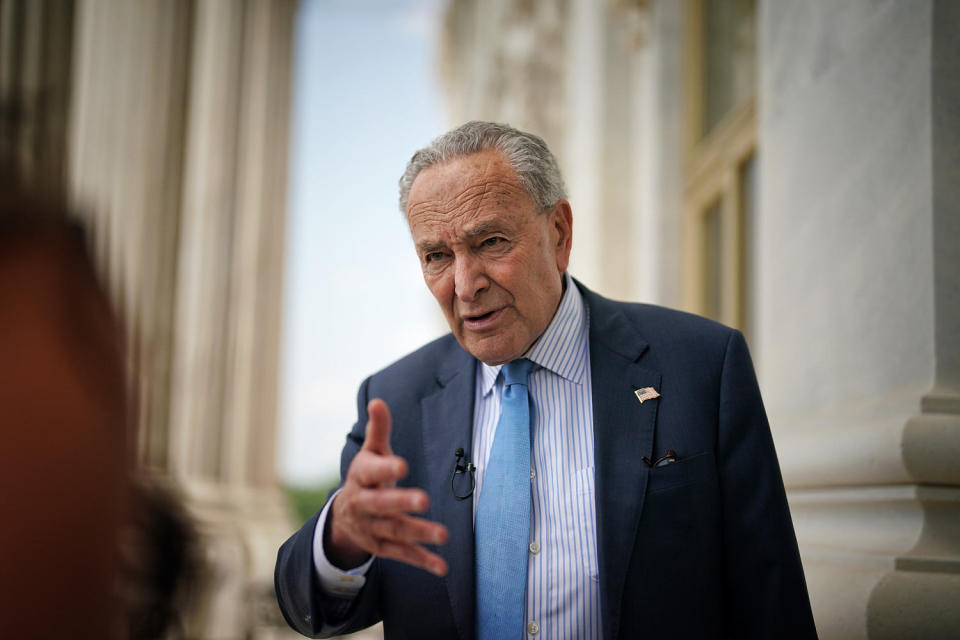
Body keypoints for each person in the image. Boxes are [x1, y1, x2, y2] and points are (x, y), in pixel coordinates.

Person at [275, 121, 817, 639]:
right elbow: (311, 608)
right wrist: (341, 534)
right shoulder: (394, 402)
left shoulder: (701, 365)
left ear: (559, 233)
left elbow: (772, 602)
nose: (465, 285)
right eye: (437, 256)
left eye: (490, 243)